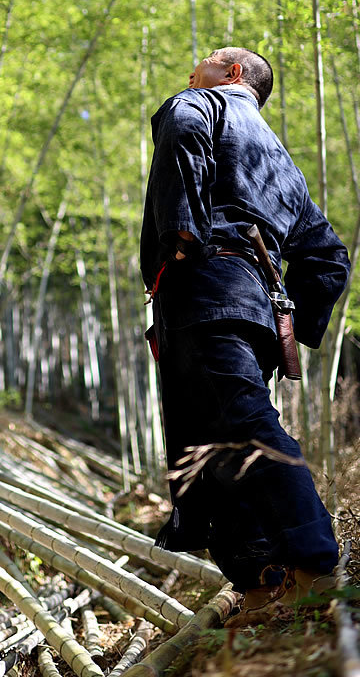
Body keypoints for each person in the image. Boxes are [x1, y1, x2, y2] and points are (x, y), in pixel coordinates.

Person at [140, 47, 350, 620]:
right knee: (220, 440)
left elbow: (180, 123)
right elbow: (331, 258)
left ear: (232, 76)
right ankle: (263, 576)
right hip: (251, 304)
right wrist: (289, 320)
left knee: (239, 430)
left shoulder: (203, 104)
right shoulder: (284, 166)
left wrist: (181, 227)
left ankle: (315, 561)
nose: (191, 71)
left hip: (203, 285)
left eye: (204, 61)